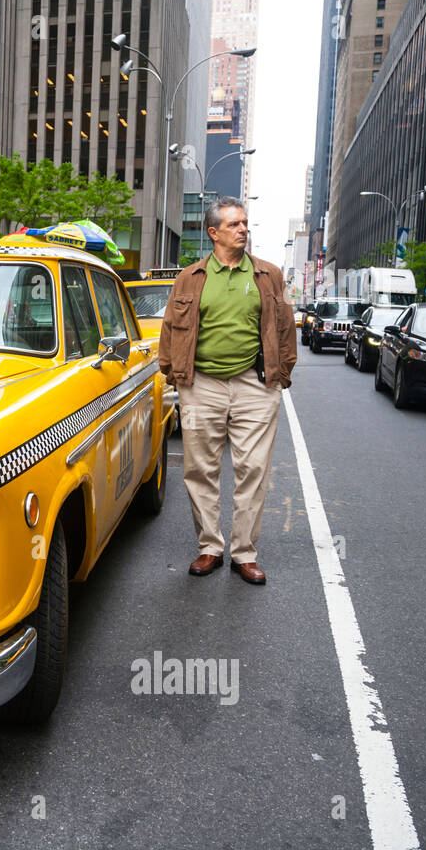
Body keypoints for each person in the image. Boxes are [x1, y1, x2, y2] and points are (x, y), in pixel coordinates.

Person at [157, 197, 297, 585]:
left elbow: (285, 326)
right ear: (214, 233)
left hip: (255, 384)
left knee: (253, 469)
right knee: (200, 469)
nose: (243, 230)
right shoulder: (190, 277)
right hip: (200, 385)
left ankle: (244, 553)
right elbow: (170, 327)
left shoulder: (270, 276)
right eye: (235, 224)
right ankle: (209, 547)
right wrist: (172, 373)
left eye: (246, 224)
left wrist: (281, 373)